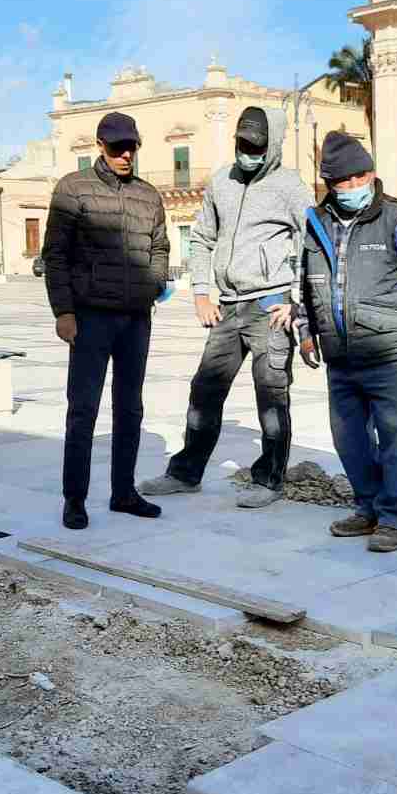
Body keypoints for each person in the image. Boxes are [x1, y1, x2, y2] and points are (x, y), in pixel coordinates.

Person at [139, 107, 310, 509]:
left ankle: (269, 479)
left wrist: (295, 301)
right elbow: (200, 238)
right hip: (228, 306)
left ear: (272, 146)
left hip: (271, 304)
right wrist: (201, 291)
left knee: (271, 393)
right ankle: (185, 474)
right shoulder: (223, 181)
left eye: (255, 146)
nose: (246, 152)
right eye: (241, 144)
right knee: (204, 389)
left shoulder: (290, 187)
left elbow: (311, 242)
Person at [295, 132, 397, 553]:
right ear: (328, 183)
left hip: (392, 354)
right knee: (349, 440)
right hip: (340, 356)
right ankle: (367, 507)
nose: (349, 188)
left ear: (371, 174)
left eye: (357, 178)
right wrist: (306, 332)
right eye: (340, 182)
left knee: (395, 439)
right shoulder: (316, 222)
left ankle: (395, 516)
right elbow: (305, 286)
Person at [42, 110, 171, 531]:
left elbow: (161, 246)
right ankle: (74, 499)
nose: (126, 155)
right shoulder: (72, 190)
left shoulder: (149, 195)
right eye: (117, 147)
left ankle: (124, 492)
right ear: (100, 146)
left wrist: (153, 283)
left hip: (135, 318)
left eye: (131, 146)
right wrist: (64, 311)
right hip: (90, 317)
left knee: (130, 409)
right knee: (83, 410)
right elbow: (55, 256)